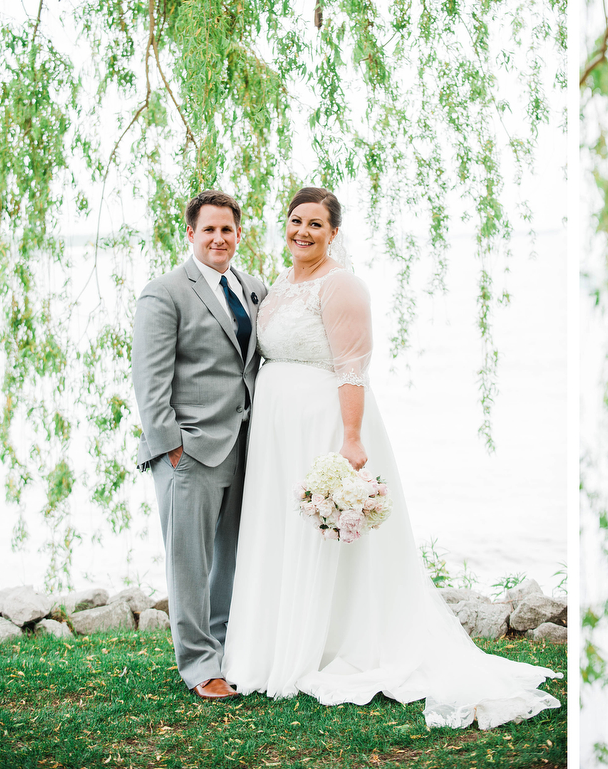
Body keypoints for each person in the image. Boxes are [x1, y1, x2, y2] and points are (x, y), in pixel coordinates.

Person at [222, 187, 560, 729]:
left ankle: (330, 641)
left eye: (316, 224)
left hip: (324, 424)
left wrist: (351, 438)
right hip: (276, 432)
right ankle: (278, 639)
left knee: (324, 537)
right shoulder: (281, 284)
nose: (303, 231)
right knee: (283, 531)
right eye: (295, 221)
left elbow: (353, 367)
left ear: (334, 233)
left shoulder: (343, 286)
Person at [132, 190, 267, 701]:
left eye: (227, 230)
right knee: (189, 562)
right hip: (189, 451)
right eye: (208, 230)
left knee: (233, 557)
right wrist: (172, 450)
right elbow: (149, 383)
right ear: (190, 234)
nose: (218, 238)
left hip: (245, 446)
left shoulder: (253, 287)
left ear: (238, 233)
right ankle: (197, 665)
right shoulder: (164, 292)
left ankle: (228, 651)